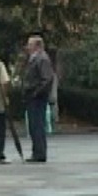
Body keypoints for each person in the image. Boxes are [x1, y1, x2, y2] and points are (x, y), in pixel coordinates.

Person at [22, 35, 56, 163]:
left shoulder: (42, 59)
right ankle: (36, 151)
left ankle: (39, 153)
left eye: (30, 44)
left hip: (37, 97)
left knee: (37, 125)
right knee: (33, 125)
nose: (28, 47)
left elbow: (47, 78)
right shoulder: (35, 58)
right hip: (33, 96)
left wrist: (36, 92)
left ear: (38, 46)